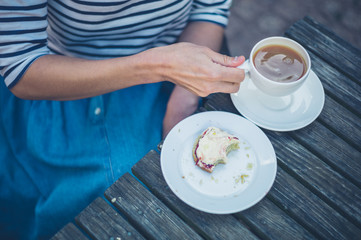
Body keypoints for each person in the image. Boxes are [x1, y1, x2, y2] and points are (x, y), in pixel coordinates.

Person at [0, 0, 245, 239]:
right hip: (69, 79)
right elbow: (22, 65)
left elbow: (209, 8)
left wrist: (184, 97)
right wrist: (157, 66)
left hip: (175, 70)